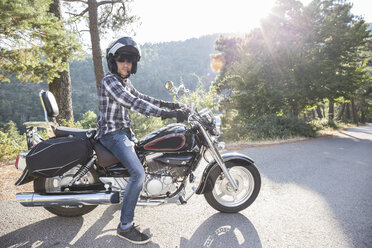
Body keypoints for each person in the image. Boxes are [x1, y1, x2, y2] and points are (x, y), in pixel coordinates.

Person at [95, 37, 188, 244]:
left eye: (129, 61)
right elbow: (133, 102)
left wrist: (171, 106)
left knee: (148, 159)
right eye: (122, 60)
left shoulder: (125, 82)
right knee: (138, 173)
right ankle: (125, 226)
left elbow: (143, 97)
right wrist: (166, 114)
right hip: (112, 134)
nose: (126, 64)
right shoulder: (110, 80)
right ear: (114, 61)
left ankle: (127, 194)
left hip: (124, 133)